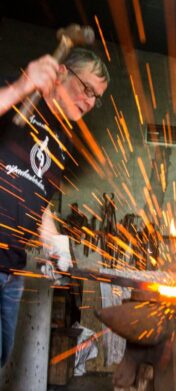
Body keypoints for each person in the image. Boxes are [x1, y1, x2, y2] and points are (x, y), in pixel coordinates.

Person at [0, 48, 109, 366]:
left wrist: (57, 247)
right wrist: (21, 88)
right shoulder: (15, 95)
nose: (89, 102)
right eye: (87, 89)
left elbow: (39, 198)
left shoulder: (63, 141)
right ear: (61, 73)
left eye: (96, 97)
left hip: (11, 271)